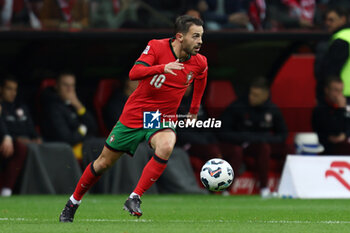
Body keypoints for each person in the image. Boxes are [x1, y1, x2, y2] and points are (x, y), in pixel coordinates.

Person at [59, 15, 207, 222]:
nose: (200, 41)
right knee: (103, 163)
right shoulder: (156, 46)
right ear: (180, 37)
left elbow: (201, 78)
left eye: (201, 36)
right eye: (196, 36)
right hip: (137, 114)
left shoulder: (199, 62)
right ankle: (72, 203)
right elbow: (134, 73)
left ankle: (134, 197)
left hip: (160, 117)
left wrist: (193, 109)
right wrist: (162, 68)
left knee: (166, 145)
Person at [218, 77, 288, 198]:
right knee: (248, 150)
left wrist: (264, 138)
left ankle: (281, 188)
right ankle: (227, 190)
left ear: (265, 96)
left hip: (261, 144)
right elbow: (222, 131)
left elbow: (283, 134)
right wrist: (244, 137)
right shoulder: (237, 107)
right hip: (241, 143)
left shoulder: (272, 110)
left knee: (284, 149)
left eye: (256, 95)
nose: (252, 97)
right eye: (251, 93)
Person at [41, 72, 98, 160]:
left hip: (85, 143)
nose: (69, 89)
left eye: (72, 85)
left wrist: (78, 105)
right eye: (65, 85)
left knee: (115, 147)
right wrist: (83, 129)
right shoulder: (52, 107)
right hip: (67, 149)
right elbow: (68, 139)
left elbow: (93, 127)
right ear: (56, 86)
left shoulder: (74, 103)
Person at [0, 75, 32, 197]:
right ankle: (6, 189)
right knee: (19, 147)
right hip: (7, 144)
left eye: (15, 89)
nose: (13, 93)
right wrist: (7, 136)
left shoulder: (20, 107)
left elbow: (30, 129)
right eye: (9, 89)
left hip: (19, 143)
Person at [316, 7, 350, 102]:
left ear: (343, 19)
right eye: (326, 20)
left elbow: (331, 69)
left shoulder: (341, 39)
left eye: (331, 20)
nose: (327, 23)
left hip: (341, 94)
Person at [312, 76, 350, 155]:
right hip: (326, 152)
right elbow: (334, 131)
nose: (339, 95)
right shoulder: (320, 109)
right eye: (336, 90)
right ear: (327, 90)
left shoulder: (347, 104)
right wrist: (341, 109)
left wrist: (345, 134)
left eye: (341, 91)